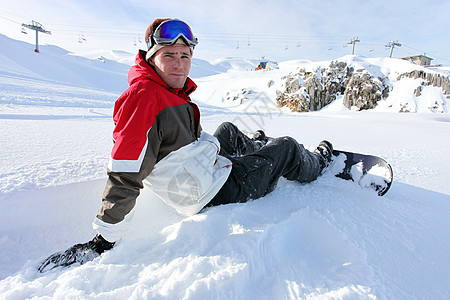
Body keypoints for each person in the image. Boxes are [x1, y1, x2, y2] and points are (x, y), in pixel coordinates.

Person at [38, 18, 333, 272]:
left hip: (196, 170)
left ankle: (254, 150)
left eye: (185, 55)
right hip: (211, 190)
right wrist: (104, 239)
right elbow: (125, 171)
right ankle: (316, 162)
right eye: (170, 55)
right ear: (152, 56)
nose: (179, 65)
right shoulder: (144, 98)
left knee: (228, 130)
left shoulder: (163, 89)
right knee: (287, 146)